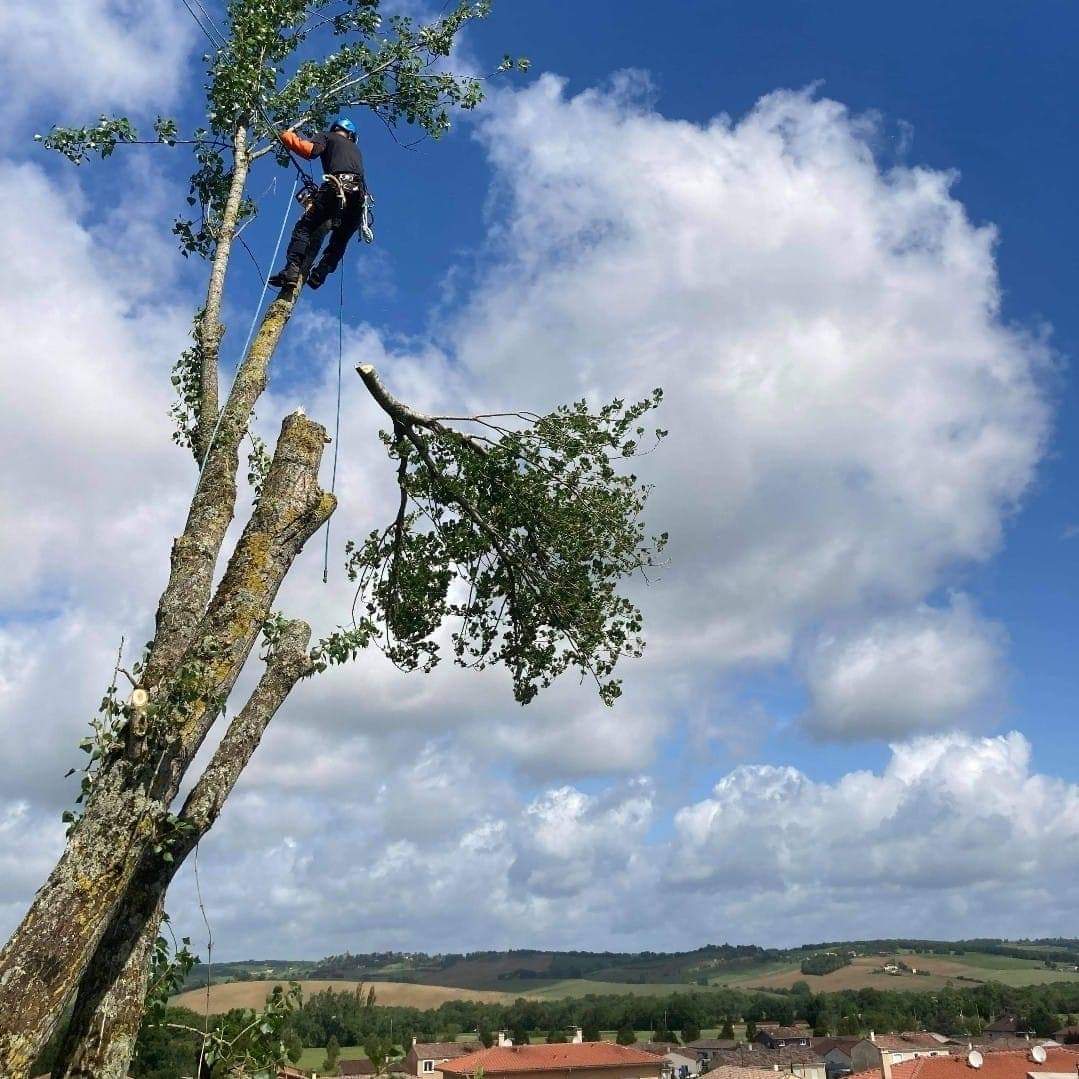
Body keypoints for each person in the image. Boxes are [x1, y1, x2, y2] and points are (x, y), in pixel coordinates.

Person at [268, 116, 366, 290]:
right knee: (339, 240)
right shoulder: (356, 151)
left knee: (305, 227)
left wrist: (286, 136)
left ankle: (292, 270)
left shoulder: (328, 136)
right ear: (351, 135)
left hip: (336, 187)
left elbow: (310, 150)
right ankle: (321, 273)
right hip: (358, 199)